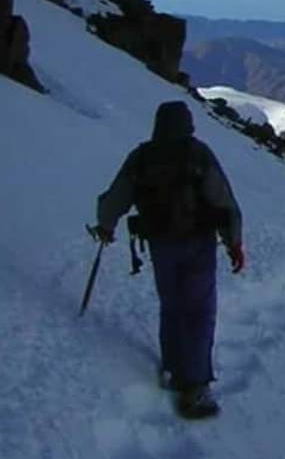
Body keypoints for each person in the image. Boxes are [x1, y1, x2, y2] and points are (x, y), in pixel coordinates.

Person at [92, 100, 245, 419]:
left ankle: (175, 368)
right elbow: (223, 199)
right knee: (200, 311)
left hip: (161, 244)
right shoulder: (198, 154)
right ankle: (197, 385)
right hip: (198, 242)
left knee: (172, 305)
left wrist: (106, 227)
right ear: (188, 125)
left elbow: (116, 196)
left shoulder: (142, 157)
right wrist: (234, 243)